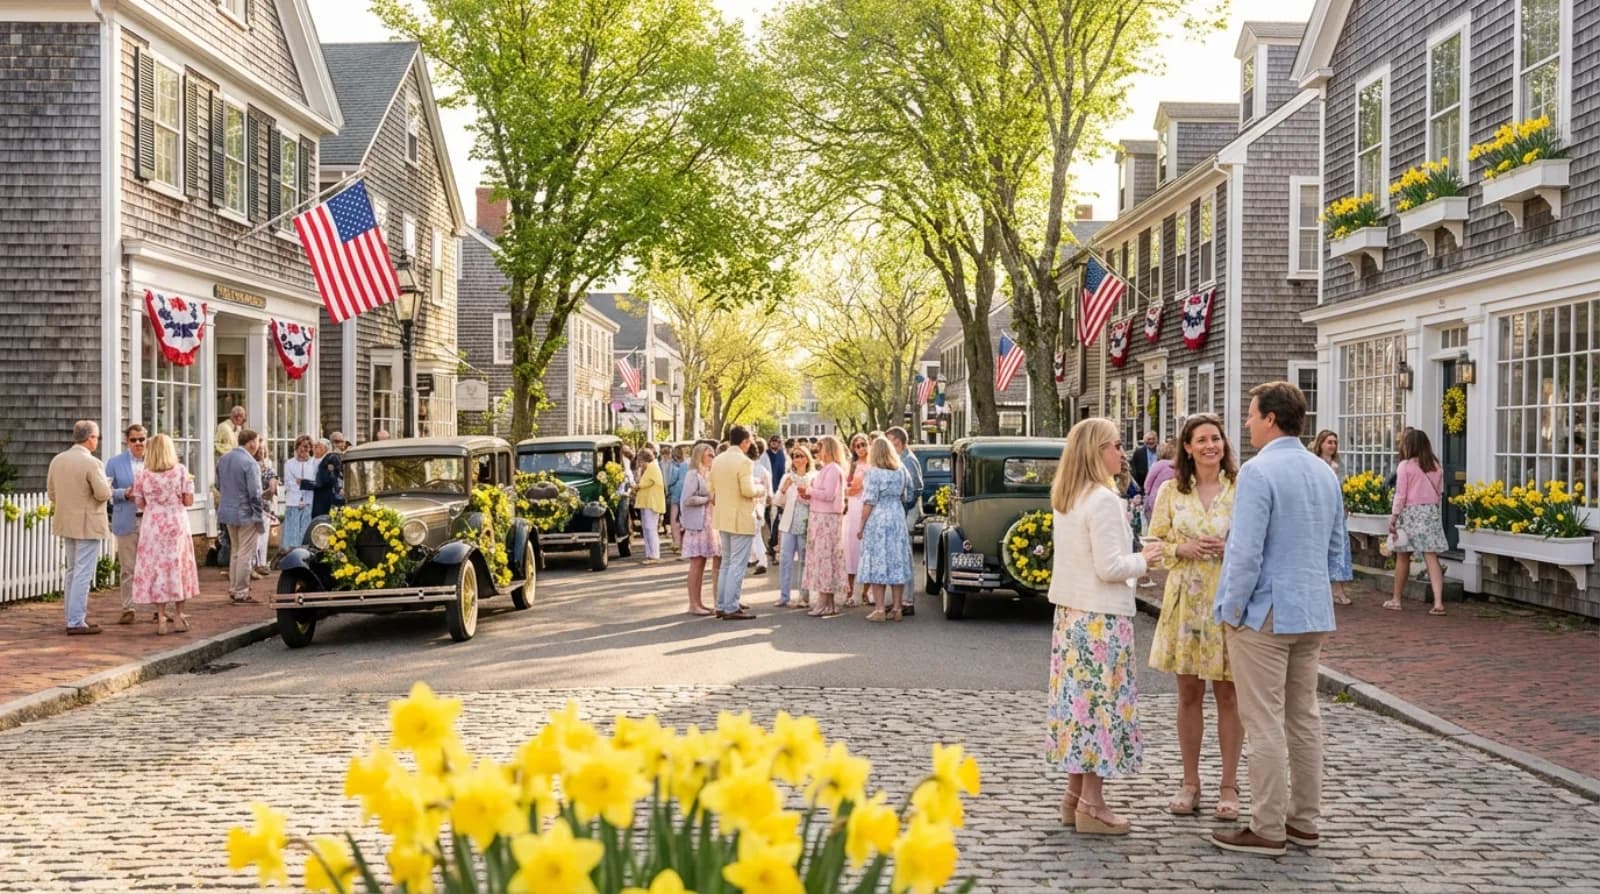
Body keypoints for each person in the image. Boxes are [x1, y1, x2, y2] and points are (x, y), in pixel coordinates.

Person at [1211, 381, 1345, 857]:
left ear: (1270, 418)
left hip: (1264, 610)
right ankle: (1304, 821)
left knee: (1262, 719)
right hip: (1312, 607)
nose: (1245, 423)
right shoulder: (1324, 471)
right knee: (1303, 717)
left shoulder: (1258, 471)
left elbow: (1245, 552)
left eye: (1250, 414)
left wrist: (1230, 610)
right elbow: (1336, 547)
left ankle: (1267, 826)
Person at [1045, 418, 1165, 835]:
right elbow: (1111, 567)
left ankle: (1074, 796)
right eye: (1115, 445)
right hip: (1101, 621)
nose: (1121, 452)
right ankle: (1093, 805)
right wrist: (1146, 558)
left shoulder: (1069, 496)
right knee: (1099, 709)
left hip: (1072, 617)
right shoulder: (1103, 500)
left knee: (1079, 706)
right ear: (1098, 452)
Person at [1147, 414, 1244, 821]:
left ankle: (1229, 784)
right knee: (1189, 694)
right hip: (1184, 602)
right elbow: (1153, 544)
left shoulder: (1240, 489)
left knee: (1229, 694)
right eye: (1201, 439)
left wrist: (1229, 546)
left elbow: (1260, 539)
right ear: (1186, 447)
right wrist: (1180, 551)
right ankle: (1190, 782)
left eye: (1216, 439)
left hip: (1227, 601)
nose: (1210, 446)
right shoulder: (1171, 490)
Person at [128, 434, 199, 635]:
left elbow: (139, 503)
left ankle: (160, 616)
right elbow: (188, 501)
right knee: (178, 567)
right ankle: (179, 614)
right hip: (175, 521)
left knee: (157, 568)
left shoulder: (143, 474)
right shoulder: (180, 471)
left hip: (153, 524)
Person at [46, 420, 112, 635]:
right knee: (83, 572)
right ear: (90, 438)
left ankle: (73, 616)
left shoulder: (58, 460)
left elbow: (52, 493)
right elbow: (103, 494)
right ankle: (75, 620)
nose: (97, 442)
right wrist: (109, 487)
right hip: (88, 522)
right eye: (97, 437)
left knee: (72, 570)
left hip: (66, 520)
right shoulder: (92, 463)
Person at [1386, 428, 1449, 615]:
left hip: (1409, 512)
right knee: (1431, 556)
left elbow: (1401, 494)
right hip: (1430, 512)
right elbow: (1440, 492)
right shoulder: (1436, 465)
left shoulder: (1405, 466)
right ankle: (1438, 602)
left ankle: (1396, 599)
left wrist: (1394, 517)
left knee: (1403, 555)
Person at [857, 436, 914, 622]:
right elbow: (908, 494)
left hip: (879, 517)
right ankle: (897, 608)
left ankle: (880, 609)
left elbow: (869, 500)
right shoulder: (901, 470)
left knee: (877, 560)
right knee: (897, 560)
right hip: (897, 516)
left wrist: (861, 524)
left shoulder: (874, 473)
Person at [708, 425, 759, 620]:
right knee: (737, 564)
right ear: (745, 441)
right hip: (741, 516)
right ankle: (730, 605)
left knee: (727, 563)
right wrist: (760, 490)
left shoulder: (718, 460)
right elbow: (747, 490)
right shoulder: (744, 462)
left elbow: (710, 487)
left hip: (722, 515)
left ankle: (722, 604)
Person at [803, 435, 849, 616]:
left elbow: (829, 494)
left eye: (820, 448)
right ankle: (828, 602)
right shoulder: (828, 469)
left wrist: (809, 490)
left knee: (824, 557)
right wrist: (809, 494)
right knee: (824, 557)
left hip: (826, 518)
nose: (817, 452)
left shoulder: (833, 469)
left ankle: (824, 601)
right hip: (821, 516)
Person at [106, 424, 148, 625]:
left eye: (141, 439)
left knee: (152, 565)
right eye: (134, 440)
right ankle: (128, 607)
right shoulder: (115, 463)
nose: (138, 443)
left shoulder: (155, 460)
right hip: (126, 517)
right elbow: (105, 491)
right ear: (127, 441)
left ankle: (157, 607)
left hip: (152, 521)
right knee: (128, 566)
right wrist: (124, 493)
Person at [217, 429, 265, 605]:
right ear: (252, 442)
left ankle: (234, 587)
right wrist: (258, 515)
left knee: (236, 551)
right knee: (245, 552)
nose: (258, 445)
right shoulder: (250, 463)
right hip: (245, 512)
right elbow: (255, 493)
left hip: (227, 510)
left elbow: (218, 484)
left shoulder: (223, 459)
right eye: (257, 441)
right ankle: (241, 591)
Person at [1310, 431, 1354, 606]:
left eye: (1335, 442)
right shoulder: (1315, 464)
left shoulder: (1339, 464)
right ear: (1320, 444)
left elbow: (1343, 487)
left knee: (1340, 549)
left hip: (1337, 511)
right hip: (1320, 512)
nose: (1332, 446)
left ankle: (1338, 588)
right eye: (1329, 442)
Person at [678, 443, 719, 616]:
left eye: (712, 454)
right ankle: (693, 603)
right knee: (696, 563)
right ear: (700, 455)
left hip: (708, 522)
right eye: (708, 454)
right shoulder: (692, 474)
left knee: (702, 563)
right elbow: (687, 499)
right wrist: (707, 499)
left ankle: (699, 602)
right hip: (697, 524)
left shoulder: (708, 474)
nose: (712, 456)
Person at [886, 426, 922, 615]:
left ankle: (907, 601)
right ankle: (899, 601)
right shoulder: (899, 459)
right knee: (898, 557)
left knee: (905, 557)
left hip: (907, 512)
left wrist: (902, 507)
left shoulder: (908, 460)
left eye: (891, 441)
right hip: (901, 511)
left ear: (898, 441)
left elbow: (916, 489)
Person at [774, 444, 815, 608]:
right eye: (795, 456)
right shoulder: (787, 477)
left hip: (805, 522)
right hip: (789, 522)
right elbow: (777, 502)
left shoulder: (813, 477)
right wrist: (783, 489)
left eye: (801, 456)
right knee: (785, 560)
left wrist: (806, 495)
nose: (798, 459)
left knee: (805, 560)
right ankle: (784, 596)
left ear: (807, 459)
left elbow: (815, 500)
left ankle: (804, 596)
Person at [843, 434, 870, 606]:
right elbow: (847, 488)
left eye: (863, 444)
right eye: (857, 446)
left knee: (867, 550)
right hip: (853, 508)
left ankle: (867, 592)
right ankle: (850, 592)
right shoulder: (853, 466)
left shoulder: (874, 465)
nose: (860, 448)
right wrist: (851, 490)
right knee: (851, 549)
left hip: (867, 507)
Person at [281, 436, 317, 553]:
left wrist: (304, 484)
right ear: (297, 447)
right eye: (302, 446)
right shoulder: (289, 463)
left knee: (306, 531)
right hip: (293, 502)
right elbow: (289, 483)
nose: (304, 449)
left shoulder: (314, 463)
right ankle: (291, 554)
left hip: (309, 502)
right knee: (293, 531)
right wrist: (298, 498)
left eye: (307, 447)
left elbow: (315, 483)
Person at [251, 438, 279, 578]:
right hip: (252, 506)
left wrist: (270, 490)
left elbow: (273, 486)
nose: (261, 451)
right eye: (259, 449)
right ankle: (253, 565)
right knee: (255, 537)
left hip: (265, 507)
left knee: (263, 537)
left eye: (263, 449)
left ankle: (261, 564)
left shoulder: (268, 468)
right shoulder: (251, 466)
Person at [634, 447, 666, 565]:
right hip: (648, 502)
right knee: (647, 529)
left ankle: (654, 555)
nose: (640, 464)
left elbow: (642, 483)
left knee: (650, 528)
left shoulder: (652, 468)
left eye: (641, 461)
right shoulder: (652, 467)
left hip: (651, 502)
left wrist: (635, 483)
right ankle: (650, 554)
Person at [747, 441, 772, 575]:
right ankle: (756, 558)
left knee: (753, 534)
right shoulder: (763, 469)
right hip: (760, 504)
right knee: (755, 534)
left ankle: (760, 559)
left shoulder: (747, 468)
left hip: (751, 503)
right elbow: (769, 489)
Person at [307, 438, 344, 518]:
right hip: (310, 494)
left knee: (321, 516)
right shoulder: (309, 461)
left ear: (325, 449)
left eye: (319, 446)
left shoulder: (330, 458)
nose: (316, 448)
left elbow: (330, 477)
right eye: (315, 446)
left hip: (324, 494)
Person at [764, 434, 787, 559]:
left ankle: (772, 543)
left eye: (777, 441)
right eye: (773, 441)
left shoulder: (782, 455)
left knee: (777, 520)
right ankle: (772, 542)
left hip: (779, 490)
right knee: (769, 518)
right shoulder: (765, 455)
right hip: (769, 491)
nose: (775, 443)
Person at [664, 445, 687, 554]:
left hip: (676, 491)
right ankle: (685, 543)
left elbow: (671, 479)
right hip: (687, 492)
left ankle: (677, 543)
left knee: (674, 518)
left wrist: (668, 488)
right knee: (685, 518)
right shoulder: (689, 464)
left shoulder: (674, 466)